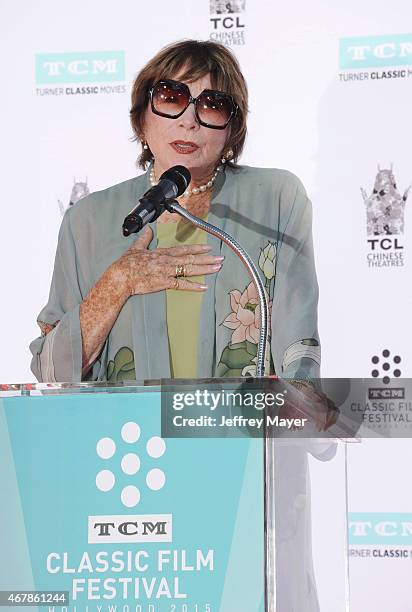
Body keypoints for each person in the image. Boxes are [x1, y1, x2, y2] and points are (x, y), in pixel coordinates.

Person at [30, 39, 320, 385]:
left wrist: (302, 409)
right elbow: (51, 373)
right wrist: (118, 282)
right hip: (128, 436)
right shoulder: (87, 220)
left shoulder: (275, 199)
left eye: (212, 106)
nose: (189, 121)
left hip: (240, 433)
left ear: (232, 128)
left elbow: (299, 349)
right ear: (141, 119)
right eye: (172, 98)